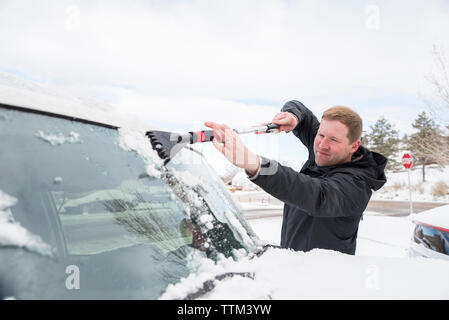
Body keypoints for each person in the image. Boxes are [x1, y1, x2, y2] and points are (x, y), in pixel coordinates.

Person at [204, 100, 387, 255]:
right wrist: (293, 116)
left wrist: (255, 164)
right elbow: (303, 114)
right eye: (320, 135)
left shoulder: (356, 184)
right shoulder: (325, 152)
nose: (322, 145)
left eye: (333, 140)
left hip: (324, 283)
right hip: (294, 267)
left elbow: (315, 194)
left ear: (354, 146)